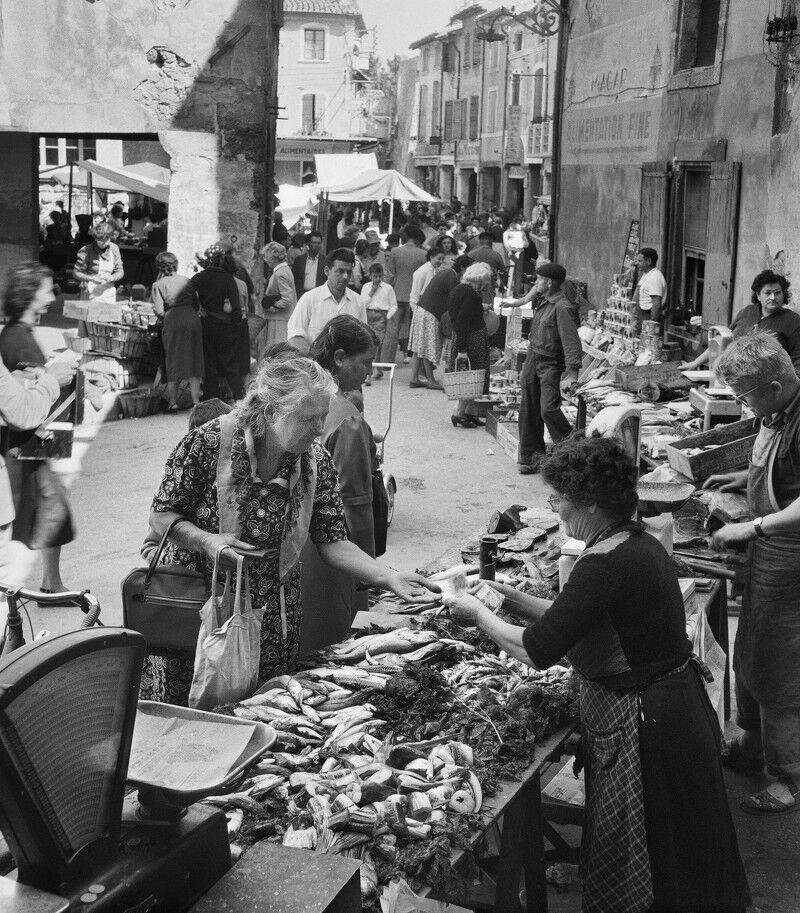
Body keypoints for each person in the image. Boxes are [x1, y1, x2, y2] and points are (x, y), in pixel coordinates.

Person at [447, 435, 751, 913]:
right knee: (684, 844)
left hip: (648, 724)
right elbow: (574, 616)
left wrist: (476, 614)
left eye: (558, 500)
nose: (557, 510)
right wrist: (502, 594)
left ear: (587, 502)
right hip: (674, 710)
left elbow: (538, 649)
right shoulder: (634, 541)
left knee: (657, 855)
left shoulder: (602, 563)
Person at [140, 354, 438, 705]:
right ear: (270, 413)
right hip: (200, 608)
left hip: (271, 616)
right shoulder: (209, 442)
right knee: (190, 711)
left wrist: (387, 577)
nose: (318, 428)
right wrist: (206, 541)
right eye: (308, 418)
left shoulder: (314, 459)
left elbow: (333, 541)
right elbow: (162, 516)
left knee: (259, 709)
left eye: (323, 417)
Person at [704, 333, 800, 815]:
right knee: (750, 653)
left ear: (778, 384)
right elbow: (786, 471)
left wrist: (753, 524)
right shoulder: (774, 409)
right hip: (769, 550)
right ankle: (748, 748)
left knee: (781, 669)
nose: (742, 405)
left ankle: (789, 778)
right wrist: (744, 479)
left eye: (745, 395)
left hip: (793, 557)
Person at [300, 316, 381, 651]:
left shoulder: (300, 392)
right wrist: (368, 575)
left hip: (294, 549)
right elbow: (355, 508)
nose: (369, 373)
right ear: (340, 358)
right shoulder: (347, 421)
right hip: (330, 558)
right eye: (365, 363)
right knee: (331, 650)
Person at [0, 263, 77, 596]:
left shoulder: (18, 333)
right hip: (23, 443)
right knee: (49, 510)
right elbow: (23, 403)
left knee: (49, 509)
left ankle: (50, 581)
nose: (52, 295)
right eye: (47, 289)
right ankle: (47, 583)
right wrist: (53, 377)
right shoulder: (16, 337)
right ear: (29, 295)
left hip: (27, 440)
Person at [511, 263, 582, 474]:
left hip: (550, 363)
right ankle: (531, 458)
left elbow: (572, 342)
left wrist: (572, 373)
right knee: (529, 407)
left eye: (538, 280)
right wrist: (520, 300)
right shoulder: (545, 300)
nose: (534, 283)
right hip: (534, 357)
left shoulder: (562, 307)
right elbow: (533, 292)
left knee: (547, 408)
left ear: (548, 283)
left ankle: (574, 454)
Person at [683, 270, 800, 373]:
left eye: (778, 292)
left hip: (767, 384)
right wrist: (695, 363)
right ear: (758, 295)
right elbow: (723, 341)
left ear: (784, 294)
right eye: (768, 293)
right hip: (733, 378)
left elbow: (797, 361)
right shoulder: (747, 312)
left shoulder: (793, 321)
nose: (773, 297)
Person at [190, 243, 244, 402]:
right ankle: (239, 397)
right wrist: (236, 324)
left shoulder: (198, 277)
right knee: (231, 364)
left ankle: (211, 398)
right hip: (226, 327)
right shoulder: (228, 279)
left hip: (206, 324)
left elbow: (189, 293)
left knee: (209, 363)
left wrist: (198, 308)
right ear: (220, 260)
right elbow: (236, 307)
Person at [150, 252, 204, 411]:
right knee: (194, 359)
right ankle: (196, 401)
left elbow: (159, 311)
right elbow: (197, 305)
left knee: (172, 358)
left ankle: (173, 402)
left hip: (172, 320)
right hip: (192, 319)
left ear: (159, 267)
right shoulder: (186, 281)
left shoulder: (158, 285)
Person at [287, 248, 367, 352]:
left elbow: (364, 339)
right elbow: (295, 337)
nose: (345, 277)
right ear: (326, 271)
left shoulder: (358, 302)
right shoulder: (309, 299)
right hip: (314, 364)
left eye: (349, 272)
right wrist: (314, 359)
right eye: (340, 271)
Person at [446, 262, 493, 428]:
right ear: (480, 280)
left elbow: (463, 313)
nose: (487, 285)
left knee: (472, 376)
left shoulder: (460, 289)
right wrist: (463, 350)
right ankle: (458, 413)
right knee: (470, 377)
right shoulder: (471, 294)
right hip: (471, 340)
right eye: (486, 281)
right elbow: (462, 321)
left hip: (466, 337)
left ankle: (470, 412)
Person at [382, 226, 428, 365]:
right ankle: (416, 362)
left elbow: (390, 274)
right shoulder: (423, 254)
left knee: (392, 331)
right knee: (415, 331)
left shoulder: (395, 251)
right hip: (416, 297)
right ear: (418, 239)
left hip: (396, 293)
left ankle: (386, 362)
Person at [408, 246, 447, 389]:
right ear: (431, 257)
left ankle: (414, 378)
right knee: (424, 346)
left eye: (443, 259)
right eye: (439, 258)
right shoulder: (422, 272)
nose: (441, 261)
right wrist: (417, 312)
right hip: (422, 310)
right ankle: (430, 380)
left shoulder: (434, 270)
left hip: (424, 310)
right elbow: (414, 295)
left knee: (419, 348)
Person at [359, 262, 397, 382]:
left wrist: (387, 316)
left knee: (376, 343)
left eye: (380, 276)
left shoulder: (388, 288)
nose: (378, 279)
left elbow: (393, 305)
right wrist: (372, 292)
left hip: (381, 316)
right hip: (368, 314)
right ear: (370, 276)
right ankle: (377, 370)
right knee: (367, 342)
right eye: (375, 276)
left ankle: (369, 374)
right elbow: (362, 304)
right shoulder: (366, 287)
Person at [73, 222, 124, 304]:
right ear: (95, 238)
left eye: (106, 240)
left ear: (110, 237)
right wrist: (91, 278)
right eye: (100, 240)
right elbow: (76, 273)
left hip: (108, 292)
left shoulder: (114, 249)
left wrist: (112, 277)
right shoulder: (86, 250)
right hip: (90, 291)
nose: (103, 243)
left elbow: (120, 271)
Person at [632, 247, 666, 332]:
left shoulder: (655, 277)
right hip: (640, 322)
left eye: (640, 261)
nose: (637, 264)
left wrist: (651, 327)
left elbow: (656, 304)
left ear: (649, 261)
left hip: (647, 322)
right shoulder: (646, 275)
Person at [261, 242, 297, 315]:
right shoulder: (285, 269)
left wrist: (272, 307)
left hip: (280, 320)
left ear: (272, 258)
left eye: (266, 256)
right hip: (284, 317)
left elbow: (287, 299)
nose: (265, 260)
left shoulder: (280, 273)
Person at [291, 230, 325, 298]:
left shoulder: (325, 260)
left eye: (319, 243)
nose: (317, 245)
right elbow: (293, 280)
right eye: (314, 243)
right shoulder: (299, 260)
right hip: (301, 295)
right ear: (308, 243)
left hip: (318, 296)